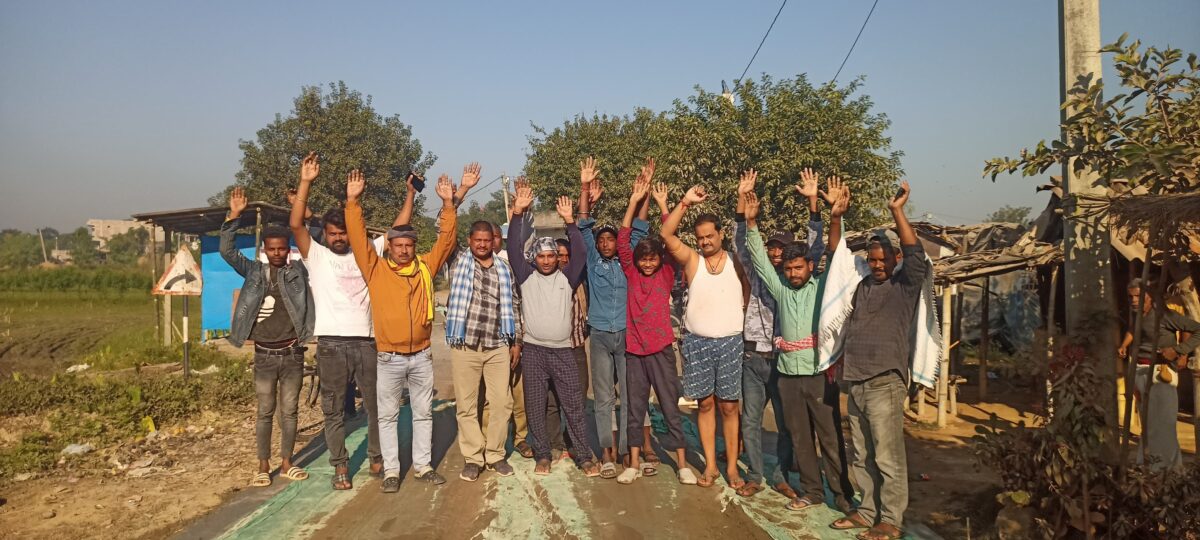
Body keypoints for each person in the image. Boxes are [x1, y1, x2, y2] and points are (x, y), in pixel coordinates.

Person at [743, 175, 855, 514]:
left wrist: (833, 216)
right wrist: (751, 223)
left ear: (810, 266)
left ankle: (843, 496)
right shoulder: (780, 289)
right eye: (789, 268)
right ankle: (812, 492)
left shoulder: (820, 287)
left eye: (798, 267)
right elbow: (759, 260)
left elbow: (834, 251)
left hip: (817, 374)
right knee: (799, 436)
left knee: (830, 438)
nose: (793, 273)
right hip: (788, 376)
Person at [343, 168, 459, 491]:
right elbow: (358, 238)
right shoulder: (376, 269)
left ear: (414, 247)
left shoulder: (425, 268)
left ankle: (423, 466)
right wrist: (352, 203)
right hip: (388, 358)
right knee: (388, 416)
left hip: (421, 356)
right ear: (390, 247)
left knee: (423, 414)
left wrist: (448, 205)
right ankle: (392, 472)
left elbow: (446, 241)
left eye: (409, 245)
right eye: (399, 245)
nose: (404, 250)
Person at [826, 181, 928, 540]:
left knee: (887, 456)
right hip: (856, 379)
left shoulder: (905, 285)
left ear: (896, 258)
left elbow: (916, 254)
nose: (878, 264)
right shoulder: (860, 284)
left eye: (884, 259)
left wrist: (896, 210)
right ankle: (868, 510)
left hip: (885, 381)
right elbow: (837, 257)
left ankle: (890, 520)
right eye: (872, 259)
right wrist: (835, 217)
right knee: (862, 453)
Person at [287, 152, 382, 490]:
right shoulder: (317, 256)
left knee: (376, 405)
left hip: (366, 343)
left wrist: (411, 195)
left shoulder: (367, 253)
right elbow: (296, 225)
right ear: (325, 235)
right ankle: (340, 465)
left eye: (344, 232)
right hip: (330, 345)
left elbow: (398, 230)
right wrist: (305, 182)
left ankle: (376, 455)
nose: (339, 237)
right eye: (333, 233)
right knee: (333, 409)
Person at [732, 168, 828, 499]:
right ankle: (756, 475)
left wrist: (814, 205)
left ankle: (782, 476)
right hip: (753, 357)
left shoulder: (793, 281)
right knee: (751, 421)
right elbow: (742, 244)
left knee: (788, 424)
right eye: (771, 248)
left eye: (780, 249)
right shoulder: (758, 273)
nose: (775, 253)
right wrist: (743, 206)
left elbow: (816, 250)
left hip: (783, 360)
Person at [220, 186, 314, 489]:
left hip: (292, 355)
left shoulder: (298, 272)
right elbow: (227, 252)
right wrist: (234, 216)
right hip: (264, 356)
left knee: (290, 411)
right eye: (271, 249)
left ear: (288, 249)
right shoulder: (254, 272)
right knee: (264, 412)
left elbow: (315, 242)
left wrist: (303, 209)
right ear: (264, 250)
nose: (276, 253)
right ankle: (263, 465)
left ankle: (287, 463)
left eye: (281, 248)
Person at [506, 184, 601, 476]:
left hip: (563, 352)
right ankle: (543, 455)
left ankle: (583, 456)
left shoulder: (567, 277)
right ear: (534, 258)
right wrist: (518, 213)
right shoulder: (526, 277)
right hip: (534, 352)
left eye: (551, 256)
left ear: (558, 258)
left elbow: (581, 252)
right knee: (535, 406)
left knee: (574, 406)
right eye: (542, 256)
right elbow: (512, 249)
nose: (547, 260)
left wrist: (570, 221)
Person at [662, 184, 750, 488]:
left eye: (710, 236)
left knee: (730, 406)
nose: (705, 241)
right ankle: (711, 466)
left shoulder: (737, 261)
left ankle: (733, 468)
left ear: (720, 234)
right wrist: (685, 202)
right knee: (705, 405)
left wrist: (742, 197)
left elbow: (745, 238)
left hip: (731, 342)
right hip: (697, 342)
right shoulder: (693, 261)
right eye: (700, 237)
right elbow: (666, 235)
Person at [617, 173, 696, 485]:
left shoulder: (666, 272)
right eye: (643, 260)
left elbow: (670, 239)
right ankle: (634, 463)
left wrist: (665, 206)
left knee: (670, 407)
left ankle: (683, 465)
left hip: (661, 351)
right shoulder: (631, 272)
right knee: (635, 410)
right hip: (635, 352)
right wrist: (633, 201)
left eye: (652, 259)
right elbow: (623, 240)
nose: (647, 264)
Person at [576, 157, 653, 478]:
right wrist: (584, 186)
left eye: (611, 239)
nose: (607, 243)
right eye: (602, 239)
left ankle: (628, 451)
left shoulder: (627, 259)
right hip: (599, 335)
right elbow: (583, 224)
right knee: (603, 396)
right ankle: (606, 452)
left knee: (631, 396)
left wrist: (646, 189)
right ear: (597, 244)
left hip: (627, 334)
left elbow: (640, 226)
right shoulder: (592, 259)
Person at [446, 215, 523, 481]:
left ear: (493, 242)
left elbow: (514, 305)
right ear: (469, 241)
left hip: (497, 344)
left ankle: (495, 454)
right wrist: (451, 202)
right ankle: (473, 457)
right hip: (465, 345)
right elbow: (446, 235)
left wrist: (516, 342)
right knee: (466, 405)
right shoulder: (459, 262)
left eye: (486, 240)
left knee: (501, 402)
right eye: (477, 240)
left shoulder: (504, 268)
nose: (482, 244)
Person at [1118, 278, 1200, 471]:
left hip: (1161, 373)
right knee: (1147, 424)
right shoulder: (1137, 314)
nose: (1134, 300)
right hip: (1140, 371)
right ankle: (1148, 467)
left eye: (1138, 296)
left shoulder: (1163, 315)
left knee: (1164, 425)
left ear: (1150, 296)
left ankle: (1168, 470)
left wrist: (1179, 350)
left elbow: (1196, 329)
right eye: (1130, 297)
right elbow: (1133, 330)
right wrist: (1124, 345)